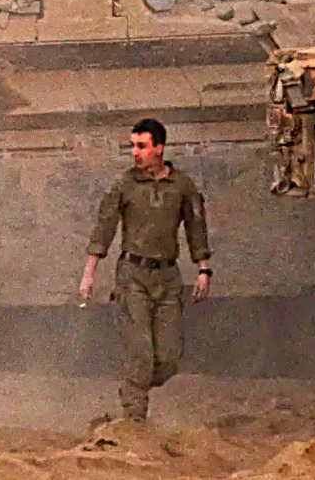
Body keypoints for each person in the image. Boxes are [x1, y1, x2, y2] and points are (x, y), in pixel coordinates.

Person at [79, 117, 213, 423]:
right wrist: (89, 272)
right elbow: (104, 228)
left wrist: (204, 269)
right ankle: (135, 419)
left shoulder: (182, 185)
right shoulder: (124, 185)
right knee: (140, 353)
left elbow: (196, 228)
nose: (135, 153)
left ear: (159, 148)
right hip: (132, 275)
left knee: (168, 358)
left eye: (142, 146)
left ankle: (132, 387)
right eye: (132, 146)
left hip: (167, 277)